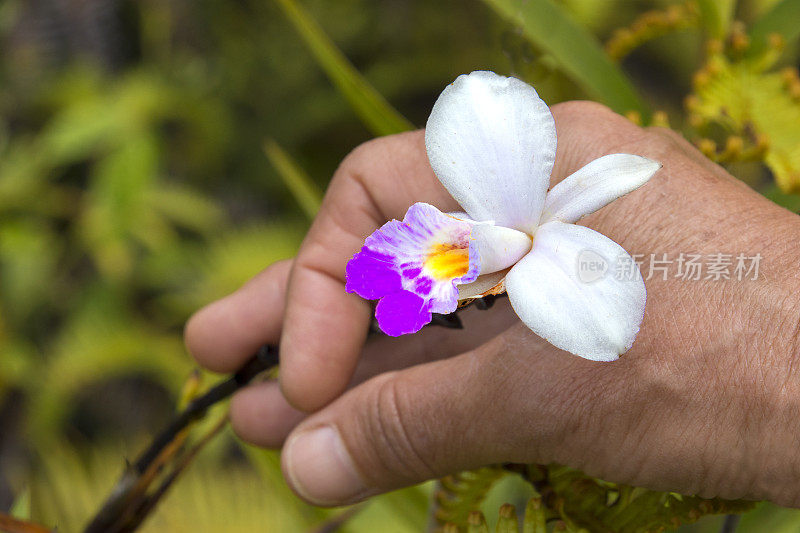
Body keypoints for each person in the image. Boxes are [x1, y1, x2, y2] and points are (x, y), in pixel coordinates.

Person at [184, 101, 800, 508]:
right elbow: (481, 109)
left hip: (525, 247)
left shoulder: (564, 250)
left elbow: (608, 327)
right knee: (391, 280)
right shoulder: (490, 224)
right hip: (494, 246)